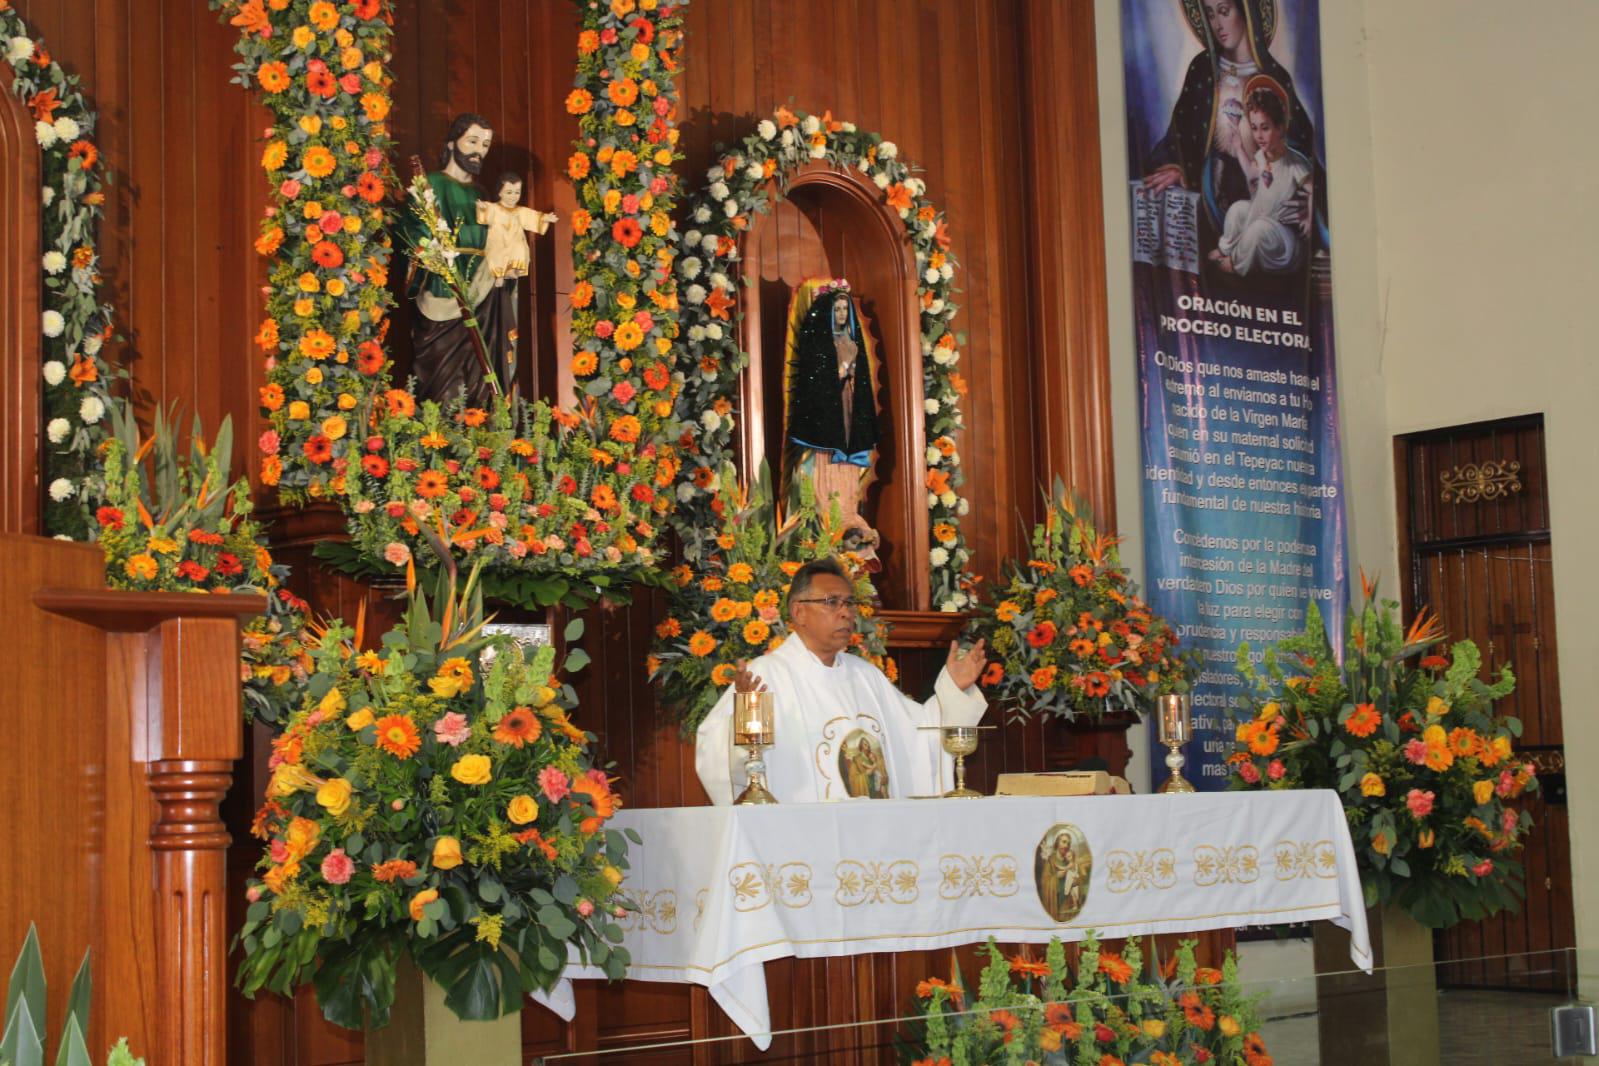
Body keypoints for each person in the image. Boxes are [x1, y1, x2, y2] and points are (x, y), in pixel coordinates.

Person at [695, 558, 989, 804]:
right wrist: (743, 715)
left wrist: (953, 688)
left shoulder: (866, 676)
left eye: (849, 602)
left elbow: (916, 736)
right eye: (831, 602)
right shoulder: (765, 677)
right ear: (799, 612)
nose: (846, 612)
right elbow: (714, 756)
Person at [1141, 0, 1319, 255]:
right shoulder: (1202, 71)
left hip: (1269, 202)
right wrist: (1176, 165)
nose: (1217, 24)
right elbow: (1179, 136)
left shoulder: (1275, 78)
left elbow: (1303, 150)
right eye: (1210, 14)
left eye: (1224, 12)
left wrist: (1309, 194)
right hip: (1210, 201)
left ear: (1246, 12)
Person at [397, 113, 510, 407]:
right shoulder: (430, 185)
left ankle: (478, 427)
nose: (479, 150)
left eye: (485, 144)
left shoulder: (482, 194)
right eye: (472, 141)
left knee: (478, 375)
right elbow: (414, 229)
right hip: (442, 293)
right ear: (451, 143)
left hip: (482, 294)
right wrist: (433, 249)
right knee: (442, 381)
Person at [782, 284, 881, 548]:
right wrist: (843, 367)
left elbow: (858, 384)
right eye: (836, 309)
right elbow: (816, 384)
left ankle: (848, 519)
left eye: (844, 310)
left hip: (848, 411)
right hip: (826, 417)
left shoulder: (851, 342)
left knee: (846, 468)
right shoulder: (820, 344)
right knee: (824, 466)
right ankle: (826, 521)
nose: (840, 314)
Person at [1210, 78, 1311, 276]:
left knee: (1258, 228)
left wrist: (1307, 214)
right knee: (1237, 209)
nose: (1258, 136)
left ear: (1281, 127)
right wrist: (1239, 146)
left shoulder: (1294, 162)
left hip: (1283, 238)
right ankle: (1226, 248)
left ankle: (1236, 263)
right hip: (1263, 221)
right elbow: (1250, 173)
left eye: (1265, 128)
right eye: (1254, 128)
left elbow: (1312, 188)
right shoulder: (1261, 156)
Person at [475, 173, 558, 395]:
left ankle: (509, 273)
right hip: (498, 251)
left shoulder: (519, 212)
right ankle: (500, 275)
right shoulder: (495, 209)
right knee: (498, 255)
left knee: (517, 254)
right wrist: (482, 208)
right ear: (500, 192)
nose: (513, 196)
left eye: (517, 192)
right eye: (509, 192)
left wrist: (545, 219)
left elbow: (533, 218)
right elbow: (484, 215)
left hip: (514, 254)